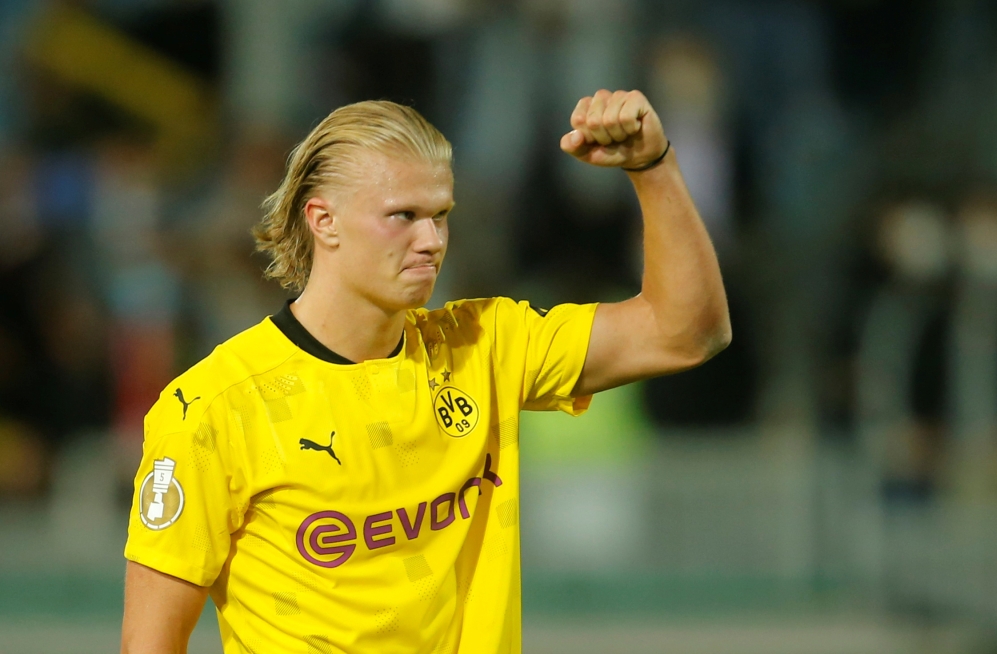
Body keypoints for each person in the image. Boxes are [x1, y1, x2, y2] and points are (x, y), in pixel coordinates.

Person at [120, 90, 730, 654]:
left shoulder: (486, 347)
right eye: (403, 215)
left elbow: (688, 332)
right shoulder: (212, 409)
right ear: (322, 220)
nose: (432, 240)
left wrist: (654, 169)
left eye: (441, 215)